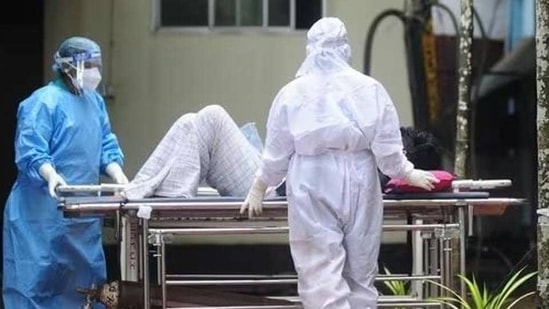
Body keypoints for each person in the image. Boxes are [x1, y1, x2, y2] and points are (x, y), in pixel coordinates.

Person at [239, 17, 439, 309]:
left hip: (311, 179)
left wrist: (259, 187)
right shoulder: (369, 89)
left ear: (310, 48)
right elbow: (387, 148)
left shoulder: (291, 93)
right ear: (345, 47)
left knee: (319, 269)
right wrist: (409, 173)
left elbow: (277, 152)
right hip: (360, 176)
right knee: (360, 270)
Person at [3, 36, 128, 308]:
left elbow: (105, 142)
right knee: (33, 286)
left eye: (98, 64)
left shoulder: (94, 102)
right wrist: (50, 173)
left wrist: (117, 173)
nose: (96, 72)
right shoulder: (42, 102)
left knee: (85, 291)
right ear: (69, 67)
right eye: (90, 65)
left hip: (81, 217)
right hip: (39, 215)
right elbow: (31, 148)